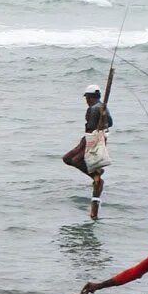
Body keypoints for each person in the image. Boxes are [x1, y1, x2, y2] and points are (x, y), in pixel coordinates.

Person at [62, 84, 113, 217]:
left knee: (72, 159)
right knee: (68, 159)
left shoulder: (93, 109)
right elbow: (110, 123)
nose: (86, 100)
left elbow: (91, 126)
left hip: (91, 138)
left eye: (87, 97)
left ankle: (96, 177)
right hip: (96, 137)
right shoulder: (103, 107)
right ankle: (95, 175)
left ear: (90, 97)